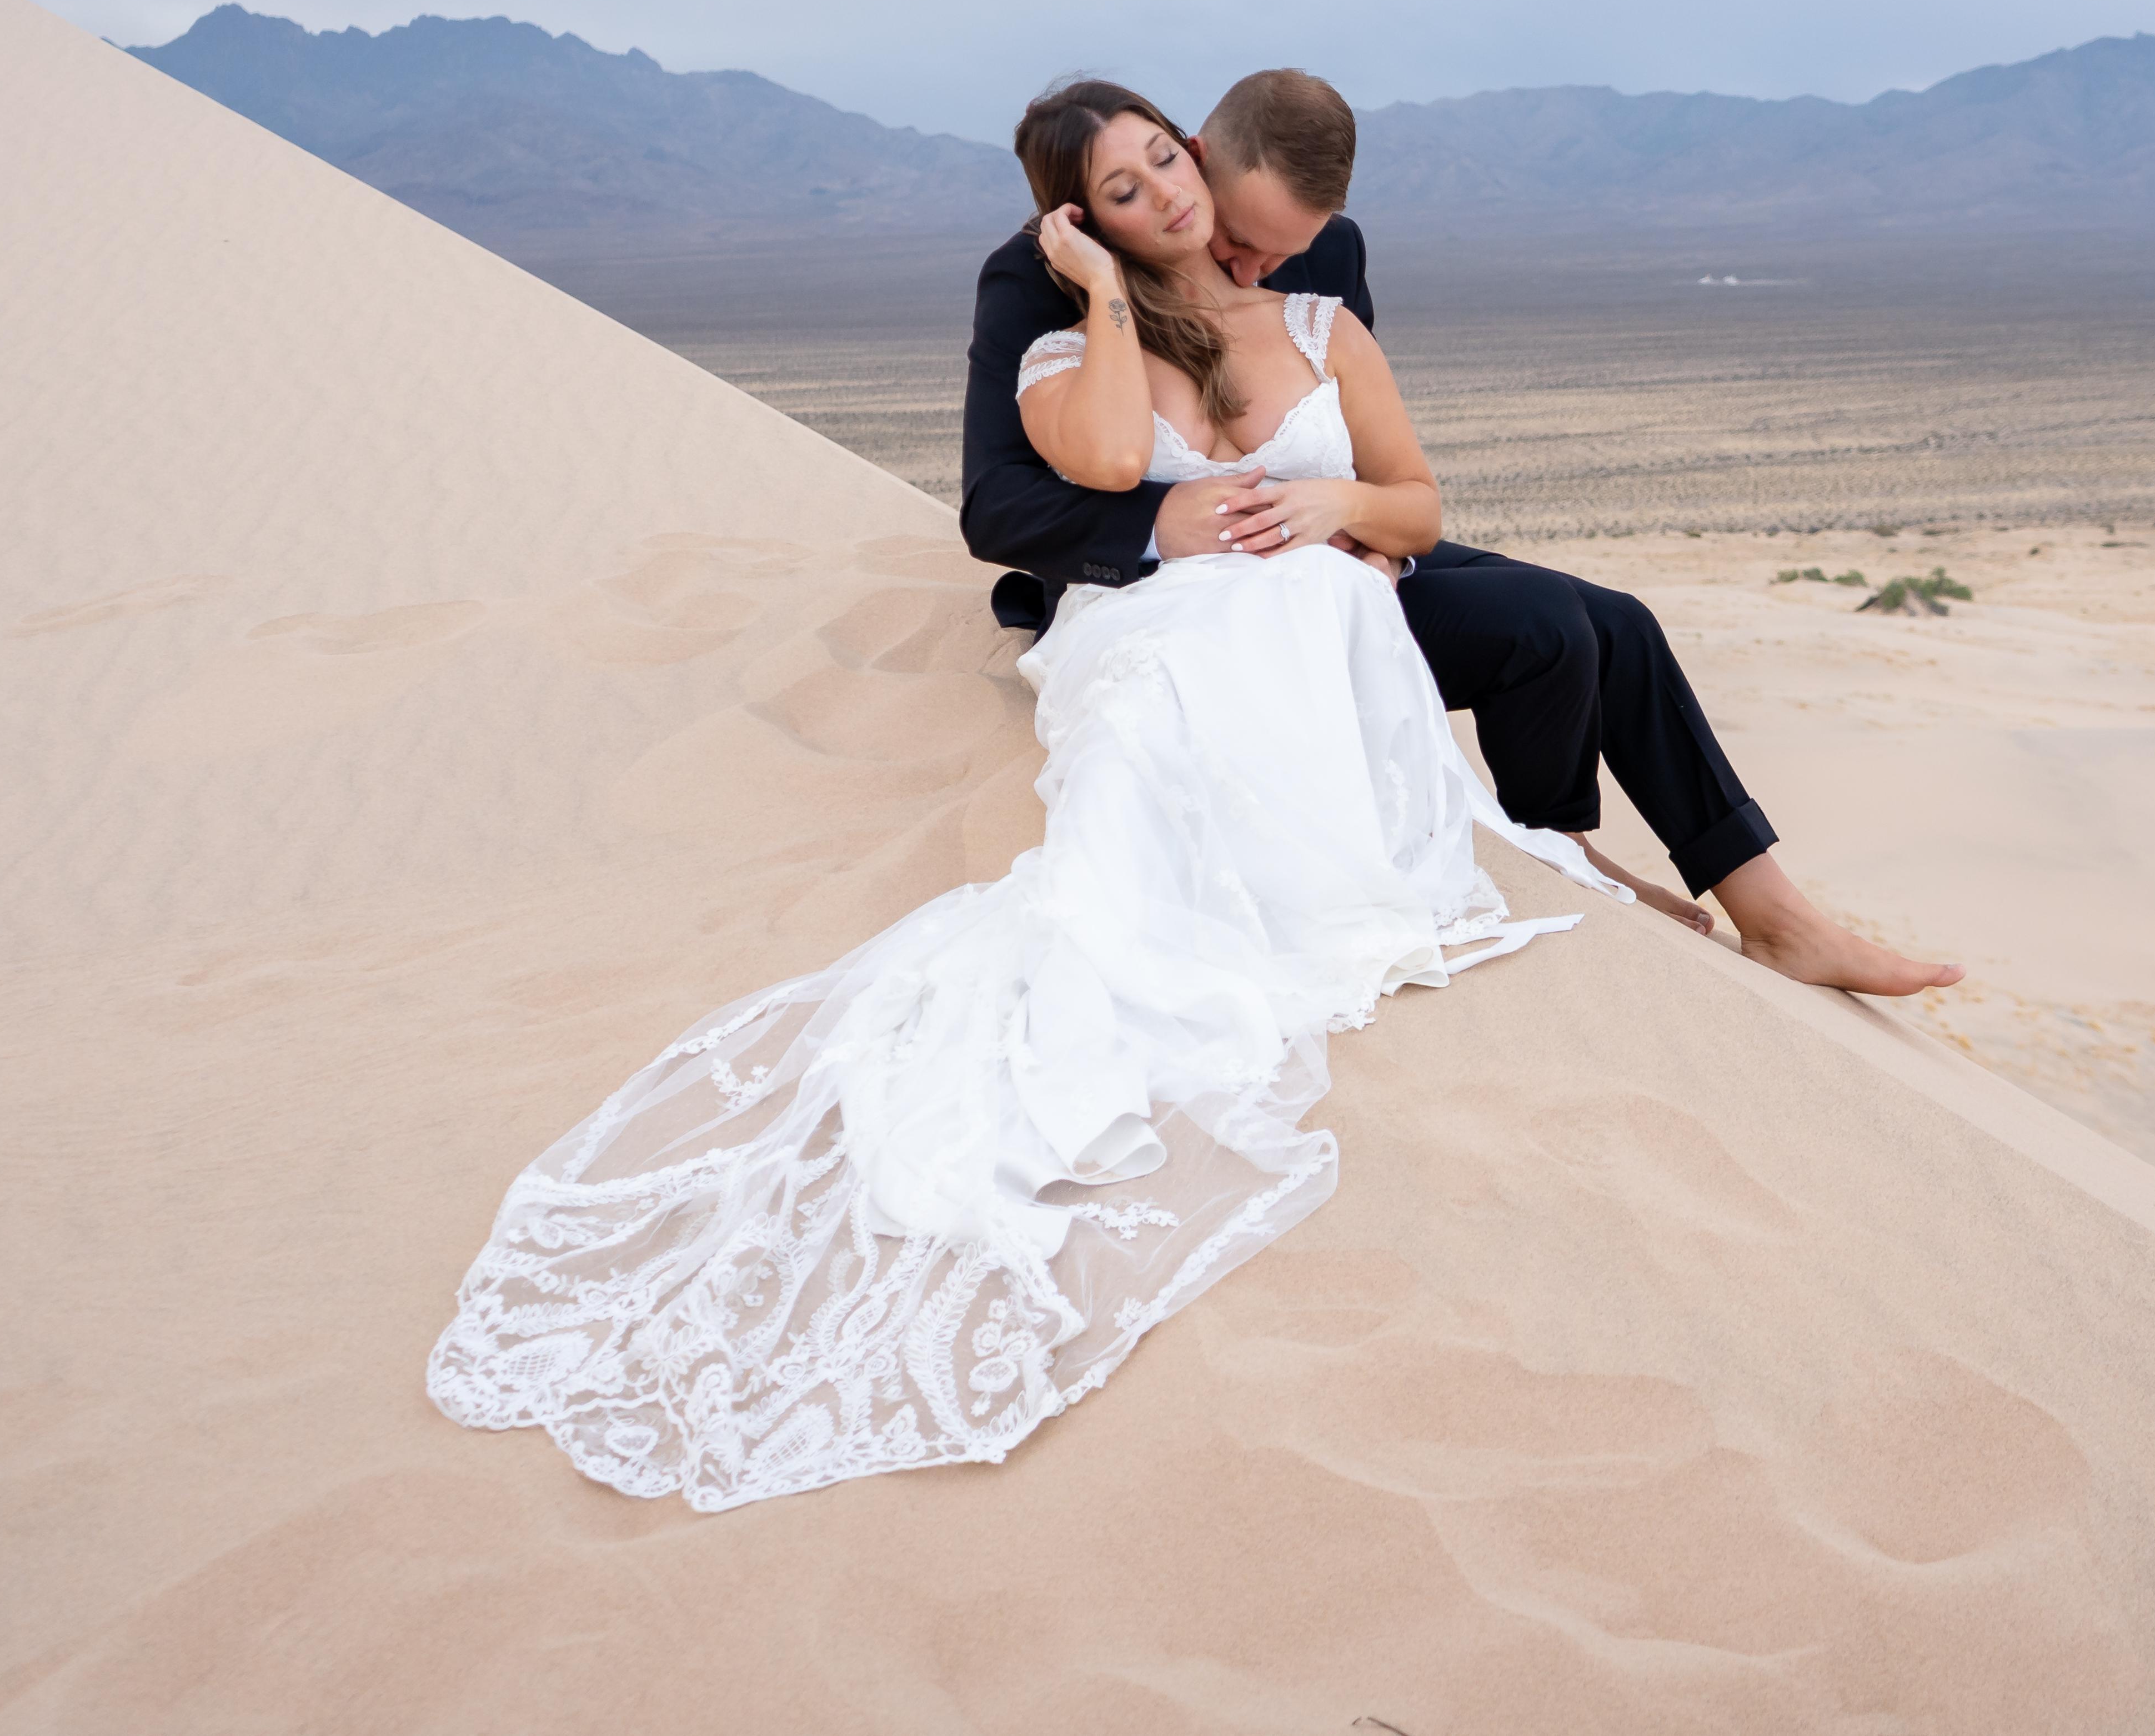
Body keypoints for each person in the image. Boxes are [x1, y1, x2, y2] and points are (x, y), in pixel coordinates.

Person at [429, 84, 1630, 1509]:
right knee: (1124, 880)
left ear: (1200, 151)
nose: (1163, 192)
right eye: (1121, 190)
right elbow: (1110, 466)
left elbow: (1416, 499)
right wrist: (1106, 294)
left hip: (1318, 624)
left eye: (1165, 160)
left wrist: (1337, 510)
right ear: (1081, 222)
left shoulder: (1318, 321)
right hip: (1161, 635)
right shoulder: (1065, 347)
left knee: (1567, 634)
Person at [962, 74, 1958, 996]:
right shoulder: (1038, 284)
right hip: (1173, 593)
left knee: (1617, 623)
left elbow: (1359, 451)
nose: (1255, 265)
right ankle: (1553, 852)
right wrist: (1158, 523)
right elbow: (1000, 503)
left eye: (1279, 251)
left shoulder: (1318, 268)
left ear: (1190, 155)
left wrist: (1372, 539)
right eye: (1247, 245)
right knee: (1541, 620)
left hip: (1335, 547)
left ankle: (1769, 912)